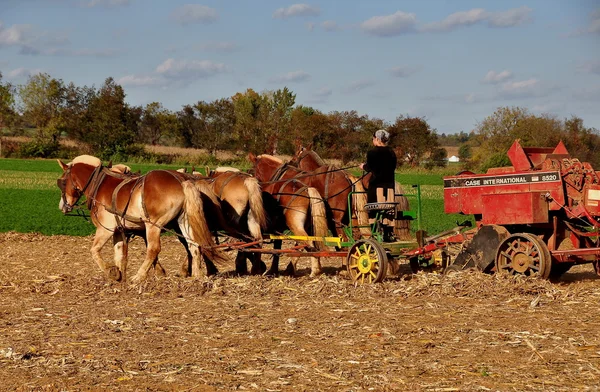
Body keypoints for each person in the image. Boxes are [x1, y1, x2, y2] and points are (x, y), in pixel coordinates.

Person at [360, 129, 397, 241]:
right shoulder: (391, 152)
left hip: (376, 188)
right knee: (387, 211)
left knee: (373, 211)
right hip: (390, 188)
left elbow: (371, 168)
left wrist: (363, 167)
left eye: (373, 139)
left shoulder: (372, 153)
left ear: (377, 139)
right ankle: (388, 233)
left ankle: (375, 233)